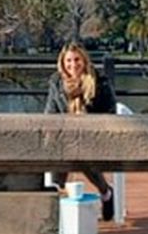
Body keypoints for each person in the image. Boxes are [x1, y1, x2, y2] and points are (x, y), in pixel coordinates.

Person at [43, 42, 117, 220]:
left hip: (95, 137)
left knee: (77, 153)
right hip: (66, 137)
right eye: (68, 60)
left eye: (77, 60)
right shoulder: (56, 82)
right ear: (62, 62)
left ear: (84, 61)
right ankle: (102, 192)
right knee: (63, 151)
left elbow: (111, 112)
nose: (73, 65)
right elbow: (50, 112)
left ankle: (104, 192)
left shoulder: (99, 82)